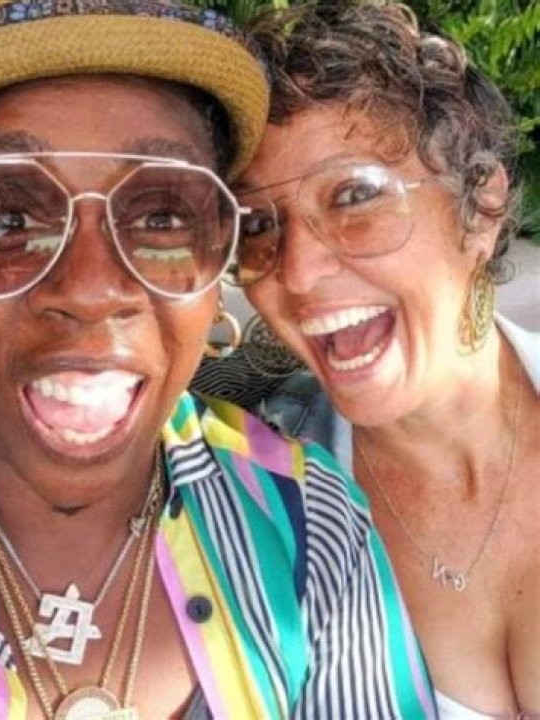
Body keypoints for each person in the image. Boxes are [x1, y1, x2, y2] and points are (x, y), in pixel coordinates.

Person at [0, 0, 437, 718]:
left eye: (161, 216)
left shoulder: (310, 523)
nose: (91, 290)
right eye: (9, 218)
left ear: (217, 262)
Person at [197, 2, 539, 717]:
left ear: (480, 207)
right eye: (258, 225)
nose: (297, 271)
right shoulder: (247, 497)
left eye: (355, 196)